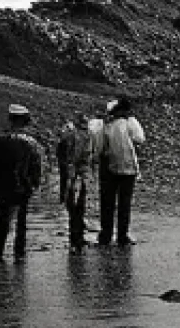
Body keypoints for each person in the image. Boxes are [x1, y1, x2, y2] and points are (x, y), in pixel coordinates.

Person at [0, 104, 44, 262]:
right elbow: (36, 167)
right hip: (23, 187)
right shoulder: (31, 143)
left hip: (2, 187)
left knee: (2, 220)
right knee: (21, 222)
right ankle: (19, 253)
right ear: (25, 122)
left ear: (10, 120)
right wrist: (32, 185)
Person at [97, 97, 145, 247]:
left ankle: (106, 235)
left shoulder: (106, 125)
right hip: (128, 169)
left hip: (109, 168)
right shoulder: (130, 123)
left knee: (107, 203)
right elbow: (140, 139)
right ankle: (122, 236)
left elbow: (100, 147)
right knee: (124, 204)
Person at [62, 113, 97, 249]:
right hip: (80, 172)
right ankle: (77, 235)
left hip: (74, 172)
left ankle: (75, 234)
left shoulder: (71, 135)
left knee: (73, 203)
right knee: (79, 203)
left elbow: (66, 155)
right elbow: (89, 156)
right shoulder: (88, 135)